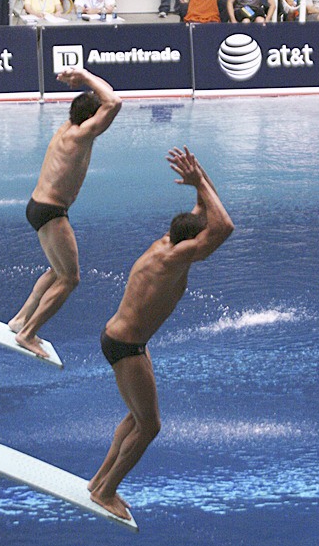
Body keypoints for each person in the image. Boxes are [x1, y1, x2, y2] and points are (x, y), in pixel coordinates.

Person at [89, 146, 234, 521]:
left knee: (136, 418)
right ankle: (106, 491)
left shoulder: (167, 243)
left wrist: (198, 178)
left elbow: (207, 215)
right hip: (126, 347)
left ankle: (98, 482)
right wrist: (199, 181)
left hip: (125, 341)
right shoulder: (173, 259)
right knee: (150, 426)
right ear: (191, 244)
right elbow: (224, 228)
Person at [8, 69, 122, 358]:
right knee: (70, 278)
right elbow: (115, 102)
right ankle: (28, 333)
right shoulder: (83, 135)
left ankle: (21, 319)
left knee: (57, 271)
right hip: (52, 212)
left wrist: (86, 83)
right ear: (93, 118)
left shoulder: (68, 128)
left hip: (37, 206)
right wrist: (84, 75)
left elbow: (105, 100)